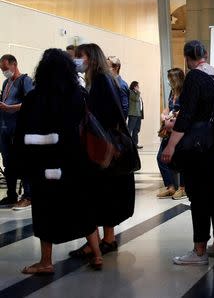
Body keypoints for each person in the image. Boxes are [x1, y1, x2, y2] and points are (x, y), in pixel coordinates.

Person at [14, 49, 103, 273]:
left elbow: (22, 133)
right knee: (83, 207)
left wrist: (22, 164)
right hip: (75, 163)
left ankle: (46, 262)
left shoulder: (34, 97)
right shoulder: (78, 95)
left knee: (45, 211)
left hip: (45, 166)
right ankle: (97, 254)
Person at [161, 40, 214, 266]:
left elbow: (187, 115)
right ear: (205, 54)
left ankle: (199, 250)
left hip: (197, 147)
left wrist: (171, 145)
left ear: (188, 58)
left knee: (198, 196)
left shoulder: (194, 77)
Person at [69, 44, 135, 260]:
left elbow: (102, 115)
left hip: (102, 147)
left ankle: (102, 241)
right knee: (106, 194)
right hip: (106, 146)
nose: (77, 60)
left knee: (101, 194)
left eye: (81, 56)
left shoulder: (100, 81)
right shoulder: (100, 79)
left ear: (92, 58)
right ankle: (105, 240)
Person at [0, 54, 35, 210]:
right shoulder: (6, 83)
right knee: (8, 164)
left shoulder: (25, 81)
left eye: (6, 68)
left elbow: (31, 103)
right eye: (2, 69)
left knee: (24, 163)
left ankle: (28, 196)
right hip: (5, 129)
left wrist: (10, 108)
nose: (4, 72)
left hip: (19, 129)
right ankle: (11, 195)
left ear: (14, 64)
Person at [157, 68, 186, 200]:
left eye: (171, 79)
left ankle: (183, 188)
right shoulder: (172, 92)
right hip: (169, 129)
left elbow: (186, 110)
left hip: (180, 131)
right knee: (160, 157)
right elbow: (168, 107)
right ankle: (170, 186)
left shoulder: (185, 92)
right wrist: (164, 114)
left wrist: (174, 114)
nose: (169, 82)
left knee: (181, 159)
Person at [127, 81, 144, 150]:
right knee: (129, 129)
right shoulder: (130, 92)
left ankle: (135, 144)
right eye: (137, 86)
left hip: (138, 114)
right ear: (134, 86)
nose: (138, 87)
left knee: (136, 130)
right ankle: (127, 144)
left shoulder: (136, 93)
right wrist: (138, 92)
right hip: (133, 114)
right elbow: (136, 99)